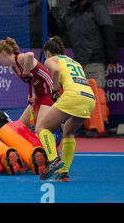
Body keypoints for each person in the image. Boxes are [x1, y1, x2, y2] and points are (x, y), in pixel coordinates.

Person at [36, 36, 96, 182]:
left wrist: (55, 91)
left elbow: (55, 71)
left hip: (73, 96)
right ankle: (63, 173)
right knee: (68, 130)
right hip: (89, 99)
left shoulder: (51, 60)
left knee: (42, 127)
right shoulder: (74, 62)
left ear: (48, 53)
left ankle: (54, 159)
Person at [48, 0, 117, 90]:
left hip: (95, 60)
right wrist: (49, 14)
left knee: (96, 93)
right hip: (79, 62)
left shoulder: (96, 7)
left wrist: (112, 57)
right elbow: (57, 30)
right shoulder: (70, 12)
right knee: (82, 96)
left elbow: (108, 30)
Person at [0, 37, 54, 131]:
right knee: (20, 126)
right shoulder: (13, 69)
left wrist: (25, 72)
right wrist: (33, 93)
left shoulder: (20, 58)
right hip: (40, 95)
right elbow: (31, 80)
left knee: (40, 129)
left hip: (50, 91)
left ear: (4, 53)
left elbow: (30, 55)